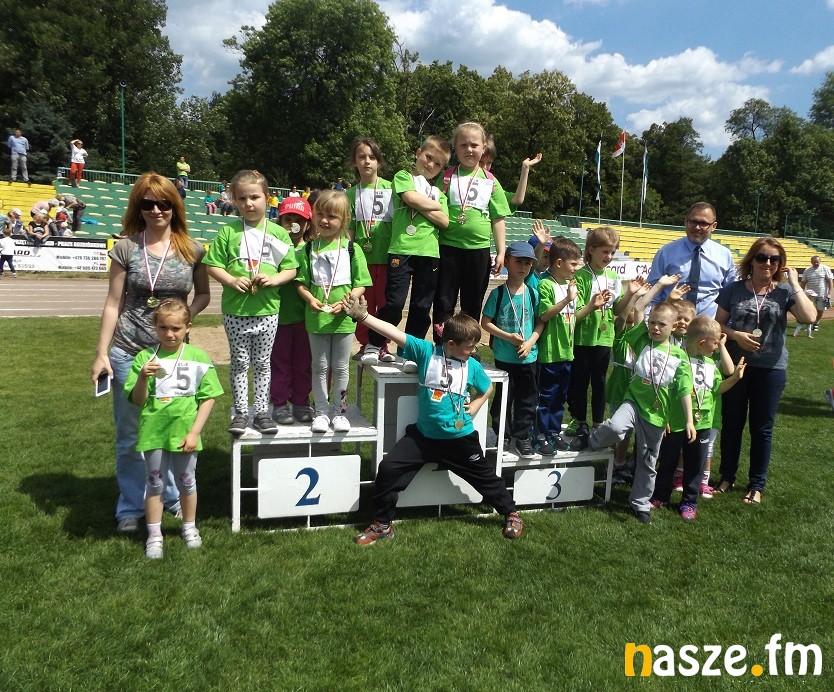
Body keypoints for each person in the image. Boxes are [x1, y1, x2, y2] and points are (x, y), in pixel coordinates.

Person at [344, 299, 524, 543]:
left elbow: (487, 387)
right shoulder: (426, 352)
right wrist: (363, 317)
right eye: (469, 347)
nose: (474, 351)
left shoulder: (472, 365)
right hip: (423, 438)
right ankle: (382, 524)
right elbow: (394, 333)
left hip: (459, 439)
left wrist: (476, 404)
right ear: (451, 344)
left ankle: (511, 513)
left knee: (486, 478)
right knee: (388, 469)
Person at [91, 172, 211, 533]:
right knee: (131, 436)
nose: (156, 210)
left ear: (175, 207)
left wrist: (184, 320)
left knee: (172, 428)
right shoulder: (126, 248)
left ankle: (171, 497)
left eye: (164, 203)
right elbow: (113, 303)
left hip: (173, 357)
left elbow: (203, 294)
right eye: (147, 204)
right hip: (129, 351)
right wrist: (101, 353)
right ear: (138, 208)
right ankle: (130, 506)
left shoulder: (192, 249)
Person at [713, 237, 816, 504]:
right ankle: (727, 476)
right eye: (762, 257)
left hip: (771, 369)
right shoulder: (734, 289)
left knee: (762, 429)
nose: (767, 263)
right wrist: (735, 335)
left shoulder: (784, 292)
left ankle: (756, 484)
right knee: (732, 424)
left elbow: (809, 317)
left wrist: (795, 284)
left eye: (774, 259)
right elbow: (717, 325)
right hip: (737, 367)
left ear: (780, 264)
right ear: (752, 260)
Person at [572, 302, 695, 524]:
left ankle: (640, 503)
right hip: (633, 402)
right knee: (615, 427)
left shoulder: (679, 356)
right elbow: (639, 308)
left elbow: (685, 389)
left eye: (662, 324)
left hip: (656, 414)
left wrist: (689, 420)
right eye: (652, 322)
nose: (655, 327)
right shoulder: (642, 340)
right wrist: (658, 286)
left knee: (647, 461)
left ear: (674, 326)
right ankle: (592, 440)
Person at [203, 169, 299, 435]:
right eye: (242, 198)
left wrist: (274, 279)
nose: (248, 203)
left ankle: (261, 412)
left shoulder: (278, 233)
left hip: (267, 310)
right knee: (239, 362)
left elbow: (291, 269)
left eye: (255, 197)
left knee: (263, 363)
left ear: (267, 198)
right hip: (235, 310)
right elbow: (212, 265)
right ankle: (240, 413)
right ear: (234, 200)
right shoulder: (228, 232)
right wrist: (231, 280)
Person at [125, 299, 223, 558]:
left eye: (176, 328)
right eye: (163, 328)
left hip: (185, 432)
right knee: (154, 483)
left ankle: (189, 526)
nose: (169, 334)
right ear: (155, 327)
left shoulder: (198, 357)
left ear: (188, 327)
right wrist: (142, 377)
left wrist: (194, 432)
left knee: (187, 482)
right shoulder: (145, 358)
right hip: (154, 432)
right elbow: (137, 400)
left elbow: (209, 397)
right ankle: (154, 535)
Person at [651, 317, 745, 520]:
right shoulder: (676, 359)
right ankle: (660, 495)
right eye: (715, 343)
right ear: (702, 343)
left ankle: (689, 502)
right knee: (668, 461)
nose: (717, 347)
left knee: (695, 465)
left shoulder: (711, 363)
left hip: (703, 423)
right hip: (676, 422)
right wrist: (665, 417)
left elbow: (717, 389)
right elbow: (664, 390)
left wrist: (735, 378)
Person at [371, 135, 451, 373]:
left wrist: (422, 204)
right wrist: (430, 204)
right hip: (401, 249)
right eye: (428, 157)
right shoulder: (403, 176)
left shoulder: (439, 192)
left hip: (429, 252)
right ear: (418, 153)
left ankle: (410, 354)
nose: (431, 165)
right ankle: (375, 344)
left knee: (421, 307)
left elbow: (445, 221)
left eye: (438, 164)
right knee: (394, 302)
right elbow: (409, 197)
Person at [296, 190, 372, 432]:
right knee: (319, 367)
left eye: (332, 216)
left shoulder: (352, 249)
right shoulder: (308, 249)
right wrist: (310, 299)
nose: (325, 220)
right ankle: (320, 412)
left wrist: (348, 300)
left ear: (344, 220)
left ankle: (339, 412)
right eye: (320, 214)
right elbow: (301, 282)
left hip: (344, 319)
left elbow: (361, 283)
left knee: (340, 368)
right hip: (316, 318)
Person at [433, 122, 511, 336]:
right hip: (447, 248)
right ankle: (442, 343)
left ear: (484, 147)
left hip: (478, 251)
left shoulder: (491, 181)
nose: (469, 149)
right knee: (443, 299)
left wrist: (501, 252)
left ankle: (468, 343)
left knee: (473, 301)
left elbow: (498, 219)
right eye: (463, 145)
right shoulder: (447, 176)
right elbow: (433, 206)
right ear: (455, 148)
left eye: (474, 145)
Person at [534, 236, 611, 454]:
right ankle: (540, 435)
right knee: (545, 397)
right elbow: (544, 316)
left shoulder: (570, 286)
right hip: (549, 353)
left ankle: (553, 433)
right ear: (559, 263)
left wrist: (591, 306)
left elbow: (573, 317)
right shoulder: (546, 284)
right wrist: (567, 299)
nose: (577, 268)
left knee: (560, 397)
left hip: (567, 353)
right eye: (574, 264)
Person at [481, 241, 543, 459]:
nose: (523, 267)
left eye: (527, 263)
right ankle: (503, 435)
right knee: (503, 399)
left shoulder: (533, 294)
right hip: (505, 357)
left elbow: (540, 322)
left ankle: (522, 436)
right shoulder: (498, 294)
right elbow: (485, 322)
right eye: (518, 262)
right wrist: (508, 337)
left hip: (528, 357)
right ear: (506, 262)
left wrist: (530, 342)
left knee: (528, 400)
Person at [565, 226, 622, 439]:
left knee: (599, 381)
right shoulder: (580, 276)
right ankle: (580, 420)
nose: (609, 256)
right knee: (580, 381)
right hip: (583, 338)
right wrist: (592, 305)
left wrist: (631, 295)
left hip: (605, 338)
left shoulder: (613, 276)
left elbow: (617, 309)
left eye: (613, 252)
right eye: (605, 251)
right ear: (591, 250)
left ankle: (598, 422)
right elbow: (575, 315)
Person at [345, 138, 395, 364]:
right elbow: (349, 229)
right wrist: (348, 256)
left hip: (387, 257)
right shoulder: (350, 194)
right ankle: (365, 344)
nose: (367, 161)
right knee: (364, 303)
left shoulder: (391, 189)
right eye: (362, 157)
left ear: (379, 162)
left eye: (372, 157)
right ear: (354, 162)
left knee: (385, 304)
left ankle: (382, 345)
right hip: (362, 260)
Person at [270, 196, 315, 425]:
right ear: (280, 221)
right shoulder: (272, 248)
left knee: (303, 364)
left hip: (305, 318)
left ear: (308, 224)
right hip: (277, 317)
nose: (293, 224)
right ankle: (279, 404)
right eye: (288, 219)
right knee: (279, 364)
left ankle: (300, 401)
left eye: (299, 220)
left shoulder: (312, 249)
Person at [647, 202, 736, 317]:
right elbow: (652, 292)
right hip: (672, 322)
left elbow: (730, 295)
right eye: (693, 222)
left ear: (713, 226)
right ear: (685, 222)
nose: (697, 227)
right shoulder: (666, 252)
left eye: (703, 223)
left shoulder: (725, 255)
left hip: (708, 323)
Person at [798, 256, 833, 334]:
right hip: (810, 295)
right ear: (811, 262)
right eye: (814, 262)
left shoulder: (825, 268)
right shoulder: (807, 270)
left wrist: (829, 293)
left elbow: (830, 282)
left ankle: (816, 322)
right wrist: (801, 293)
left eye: (817, 262)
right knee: (810, 310)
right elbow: (803, 282)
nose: (816, 263)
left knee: (820, 309)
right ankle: (810, 324)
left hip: (822, 294)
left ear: (820, 261)